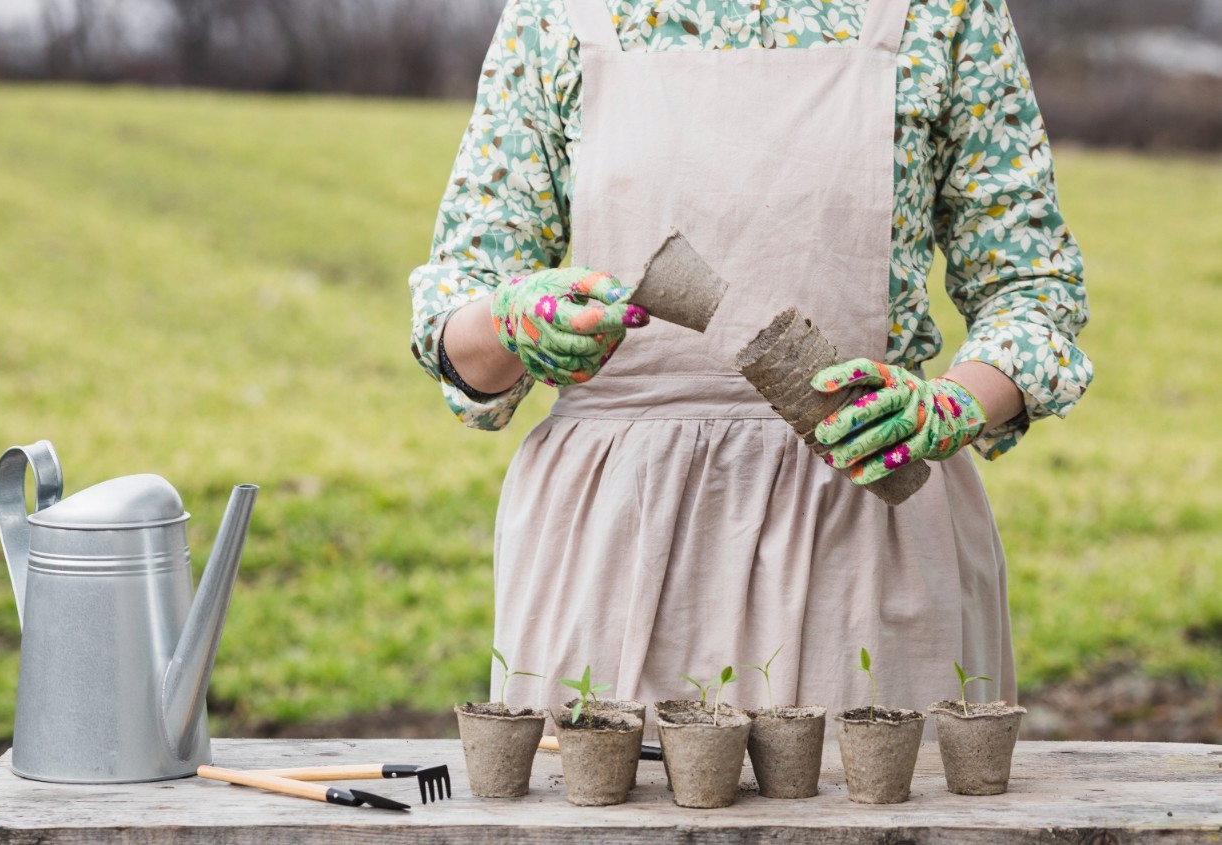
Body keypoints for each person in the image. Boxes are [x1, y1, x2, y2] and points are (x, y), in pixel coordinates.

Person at [409, 0, 1091, 728]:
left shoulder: (943, 12)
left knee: (881, 788)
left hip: (867, 530)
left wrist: (957, 402)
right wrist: (510, 321)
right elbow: (458, 324)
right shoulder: (554, 15)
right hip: (613, 544)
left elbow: (1032, 287)